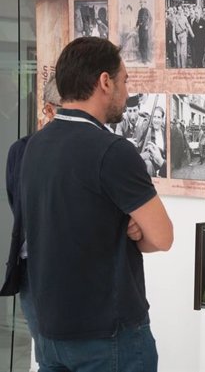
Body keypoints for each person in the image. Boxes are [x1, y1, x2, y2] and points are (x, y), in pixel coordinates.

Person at [21, 37, 173, 371]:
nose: (127, 91)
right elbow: (162, 237)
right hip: (107, 335)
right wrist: (132, 230)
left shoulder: (32, 146)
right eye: (125, 81)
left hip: (50, 331)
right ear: (105, 82)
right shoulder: (113, 151)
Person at [0, 76, 62, 363]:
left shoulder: (98, 151)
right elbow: (19, 207)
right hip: (32, 273)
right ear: (49, 110)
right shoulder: (21, 151)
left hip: (77, 275)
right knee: (48, 357)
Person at [140, 105, 167, 178]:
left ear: (162, 119)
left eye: (159, 117)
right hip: (151, 169)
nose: (156, 120)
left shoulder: (166, 133)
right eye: (154, 117)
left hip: (163, 169)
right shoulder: (147, 131)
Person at [135, 0, 152, 64]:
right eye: (140, 3)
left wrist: (148, 26)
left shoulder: (147, 10)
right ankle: (143, 59)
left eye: (142, 3)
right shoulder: (139, 11)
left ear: (144, 4)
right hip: (140, 30)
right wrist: (136, 26)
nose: (141, 4)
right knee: (141, 44)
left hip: (145, 29)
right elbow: (138, 19)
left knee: (145, 44)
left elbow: (151, 19)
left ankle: (146, 58)